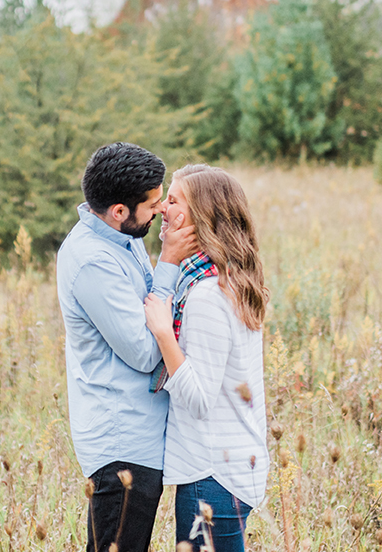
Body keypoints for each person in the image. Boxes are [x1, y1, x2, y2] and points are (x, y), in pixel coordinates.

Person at [57, 142, 199, 552]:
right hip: (122, 442)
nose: (159, 210)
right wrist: (170, 261)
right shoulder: (91, 261)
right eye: (152, 204)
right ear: (119, 210)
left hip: (141, 434)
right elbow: (144, 350)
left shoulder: (126, 236)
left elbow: (150, 306)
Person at [144, 164, 269, 552]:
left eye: (174, 200)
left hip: (212, 474)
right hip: (228, 467)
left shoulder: (206, 296)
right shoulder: (224, 280)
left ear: (201, 219)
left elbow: (199, 400)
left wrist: (164, 333)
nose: (163, 208)